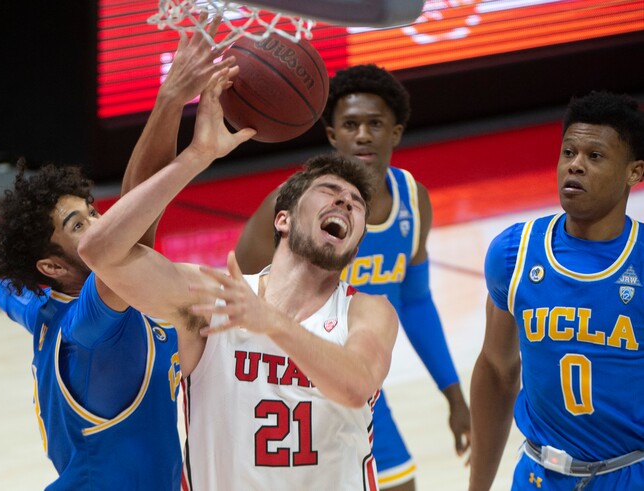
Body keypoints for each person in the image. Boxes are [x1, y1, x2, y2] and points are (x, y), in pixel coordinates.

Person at [76, 66, 399, 488]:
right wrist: (197, 157)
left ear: (354, 243)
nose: (345, 201)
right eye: (329, 191)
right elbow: (100, 252)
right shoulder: (214, 299)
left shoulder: (367, 311)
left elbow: (356, 384)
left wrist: (270, 322)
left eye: (356, 204)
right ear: (282, 219)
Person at [0, 18, 235, 490]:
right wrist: (194, 151)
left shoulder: (44, 306)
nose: (98, 223)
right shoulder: (90, 330)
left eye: (91, 211)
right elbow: (128, 241)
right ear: (52, 266)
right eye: (78, 226)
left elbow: (15, 296)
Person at [234, 63, 470, 490]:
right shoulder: (291, 205)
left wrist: (452, 392)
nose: (363, 135)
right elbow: (245, 288)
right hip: (285, 379)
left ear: (395, 132)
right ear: (332, 135)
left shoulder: (413, 201)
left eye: (374, 124)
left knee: (400, 484)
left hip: (355, 371)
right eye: (351, 124)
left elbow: (416, 302)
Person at [469, 90, 644, 491]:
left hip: (628, 476)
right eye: (568, 153)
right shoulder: (513, 253)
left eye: (594, 157)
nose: (575, 166)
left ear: (634, 172)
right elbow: (497, 371)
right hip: (537, 475)